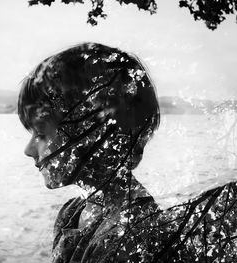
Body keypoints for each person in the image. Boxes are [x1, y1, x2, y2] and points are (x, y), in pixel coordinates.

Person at [18, 42, 237, 262]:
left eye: (41, 134)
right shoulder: (71, 212)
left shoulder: (131, 238)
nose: (28, 150)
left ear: (94, 133)